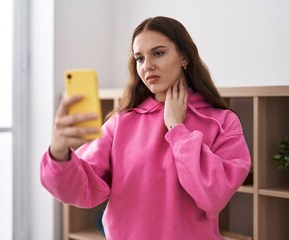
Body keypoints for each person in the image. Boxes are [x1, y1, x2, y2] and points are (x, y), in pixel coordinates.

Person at [40, 16, 251, 240]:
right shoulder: (120, 123)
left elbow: (214, 195)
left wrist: (176, 128)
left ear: (184, 57)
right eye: (139, 58)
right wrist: (59, 153)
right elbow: (80, 189)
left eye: (158, 53)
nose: (147, 66)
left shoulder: (222, 122)